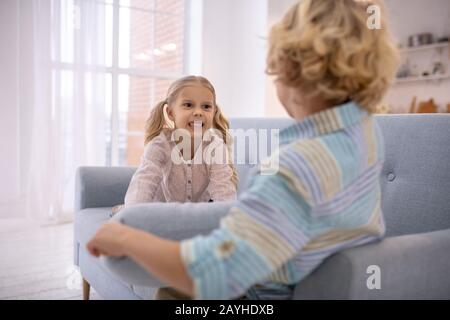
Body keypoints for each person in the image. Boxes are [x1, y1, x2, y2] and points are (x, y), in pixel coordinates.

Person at [87, 0, 400, 300]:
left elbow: (218, 272)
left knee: (170, 291)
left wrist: (129, 238)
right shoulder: (367, 133)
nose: (198, 113)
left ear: (290, 69)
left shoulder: (295, 167)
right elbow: (147, 184)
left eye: (205, 106)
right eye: (188, 105)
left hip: (259, 294)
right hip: (301, 269)